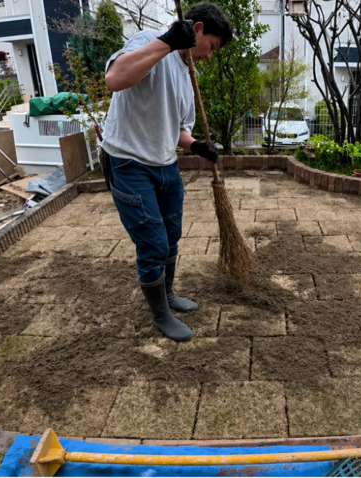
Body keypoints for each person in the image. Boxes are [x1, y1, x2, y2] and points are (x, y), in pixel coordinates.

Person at [101, 2, 232, 342]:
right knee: (154, 245)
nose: (209, 57)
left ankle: (168, 295)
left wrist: (196, 146)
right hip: (129, 163)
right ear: (198, 29)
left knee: (171, 238)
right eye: (212, 48)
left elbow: (178, 130)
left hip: (165, 165)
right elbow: (115, 79)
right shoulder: (148, 40)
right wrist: (166, 42)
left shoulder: (189, 79)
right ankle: (159, 314)